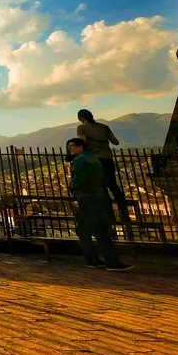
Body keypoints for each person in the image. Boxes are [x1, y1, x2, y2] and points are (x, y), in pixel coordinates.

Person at [67, 138, 133, 271]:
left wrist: (72, 187)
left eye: (72, 146)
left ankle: (95, 260)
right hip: (98, 197)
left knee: (86, 231)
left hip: (85, 198)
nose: (70, 149)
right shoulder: (93, 158)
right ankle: (109, 260)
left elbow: (78, 179)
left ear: (81, 147)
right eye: (69, 147)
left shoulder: (80, 160)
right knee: (100, 230)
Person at [76, 108, 132, 236]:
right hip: (107, 157)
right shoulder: (104, 127)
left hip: (94, 160)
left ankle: (109, 219)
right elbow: (115, 142)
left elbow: (82, 143)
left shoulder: (81, 128)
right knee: (113, 185)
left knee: (101, 188)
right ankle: (125, 214)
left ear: (80, 118)